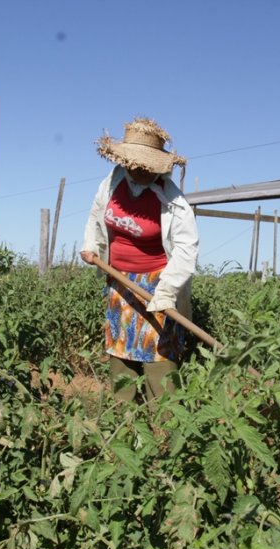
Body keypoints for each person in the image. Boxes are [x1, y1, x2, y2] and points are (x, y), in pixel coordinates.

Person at [80, 117, 199, 408]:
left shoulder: (173, 201)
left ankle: (167, 424)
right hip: (118, 280)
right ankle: (124, 417)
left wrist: (167, 292)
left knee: (158, 352)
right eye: (136, 164)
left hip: (158, 281)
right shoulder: (112, 182)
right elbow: (97, 215)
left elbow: (186, 249)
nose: (140, 170)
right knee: (121, 349)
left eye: (147, 166)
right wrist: (90, 245)